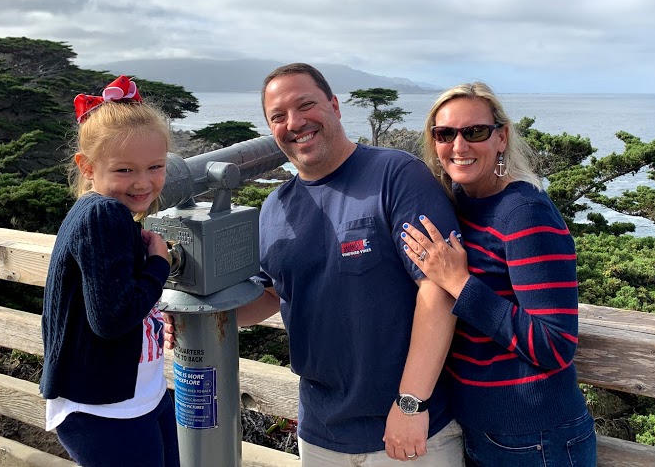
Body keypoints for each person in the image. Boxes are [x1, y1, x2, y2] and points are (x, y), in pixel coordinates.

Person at [167, 63, 465, 465]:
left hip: (410, 429)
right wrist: (192, 316)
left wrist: (411, 403)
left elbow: (438, 288)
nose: (294, 122)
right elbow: (268, 295)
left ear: (335, 106)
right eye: (278, 116)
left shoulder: (395, 174)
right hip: (321, 433)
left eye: (305, 105)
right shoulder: (274, 208)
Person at [400, 82, 597, 467]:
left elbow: (555, 344)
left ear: (502, 137)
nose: (459, 146)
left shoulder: (524, 212)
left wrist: (458, 283)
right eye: (445, 134)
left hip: (537, 438)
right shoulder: (457, 203)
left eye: (475, 132)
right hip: (477, 428)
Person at [40, 75, 180, 467]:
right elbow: (112, 317)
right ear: (87, 167)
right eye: (124, 170)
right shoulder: (104, 213)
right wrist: (158, 266)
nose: (142, 182)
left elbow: (110, 295)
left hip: (137, 395)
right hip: (106, 409)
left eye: (155, 166)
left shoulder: (102, 214)